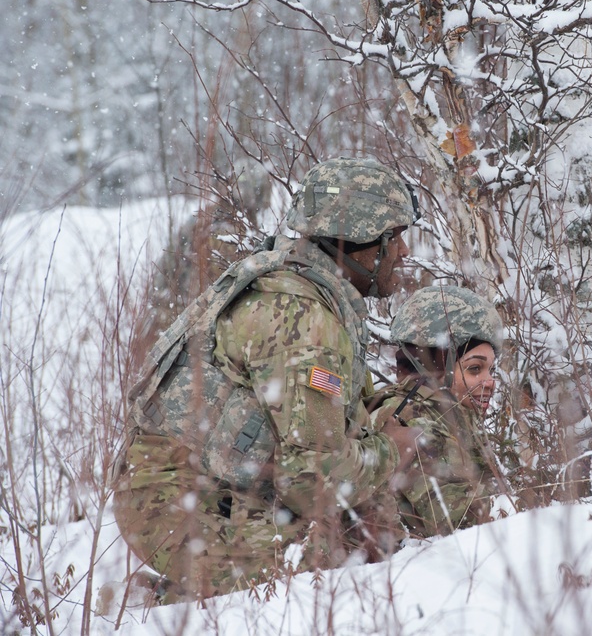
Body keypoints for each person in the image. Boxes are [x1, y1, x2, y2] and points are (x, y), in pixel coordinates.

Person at [112, 157, 420, 603]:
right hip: (174, 510)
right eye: (394, 238)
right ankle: (161, 602)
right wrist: (391, 451)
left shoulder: (298, 288)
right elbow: (311, 480)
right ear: (359, 244)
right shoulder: (306, 321)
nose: (404, 252)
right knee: (353, 549)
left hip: (200, 489)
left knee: (370, 522)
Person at [366, 285, 505, 539]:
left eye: (491, 370)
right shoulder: (418, 421)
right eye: (475, 369)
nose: (490, 382)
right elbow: (466, 524)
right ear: (438, 368)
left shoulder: (445, 413)